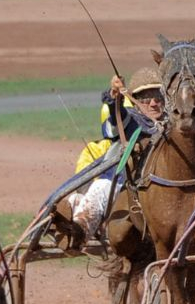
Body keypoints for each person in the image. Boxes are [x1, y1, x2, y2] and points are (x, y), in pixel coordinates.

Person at [69, 66, 165, 236]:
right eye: (145, 98)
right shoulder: (129, 118)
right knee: (100, 187)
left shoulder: (176, 122)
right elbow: (115, 119)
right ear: (133, 100)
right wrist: (115, 97)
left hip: (163, 186)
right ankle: (80, 231)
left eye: (158, 97)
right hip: (123, 183)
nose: (153, 103)